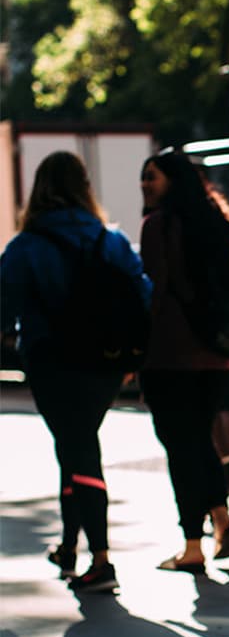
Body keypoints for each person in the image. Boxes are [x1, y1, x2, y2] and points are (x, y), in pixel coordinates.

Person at [0, 151, 152, 593]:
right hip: (104, 363)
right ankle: (69, 545)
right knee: (74, 444)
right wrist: (130, 359)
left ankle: (101, 560)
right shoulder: (111, 241)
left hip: (52, 364)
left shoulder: (27, 246)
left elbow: (5, 305)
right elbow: (143, 296)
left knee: (78, 448)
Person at [139, 148, 229, 573]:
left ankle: (192, 545)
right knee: (199, 440)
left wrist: (135, 349)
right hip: (216, 353)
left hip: (169, 354)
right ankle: (222, 521)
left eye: (153, 177)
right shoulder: (215, 222)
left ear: (173, 181)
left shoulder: (159, 226)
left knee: (180, 447)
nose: (146, 184)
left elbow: (152, 292)